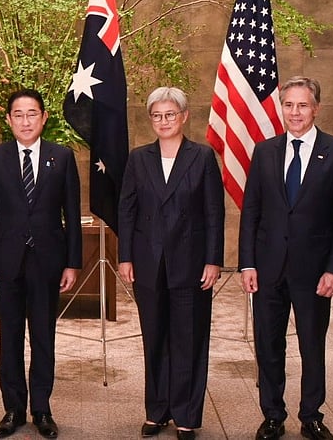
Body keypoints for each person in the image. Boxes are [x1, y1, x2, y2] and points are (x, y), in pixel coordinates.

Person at [239, 76, 333, 440]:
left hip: (314, 271)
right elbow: (252, 212)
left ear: (315, 108)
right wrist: (247, 263)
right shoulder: (265, 151)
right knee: (268, 345)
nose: (295, 112)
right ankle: (273, 415)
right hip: (268, 269)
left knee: (311, 344)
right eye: (289, 105)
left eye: (302, 105)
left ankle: (311, 416)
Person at [117, 87, 225, 440]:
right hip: (148, 264)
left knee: (188, 339)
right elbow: (127, 211)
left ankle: (186, 415)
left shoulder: (203, 157)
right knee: (155, 337)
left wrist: (213, 260)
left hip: (191, 264)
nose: (164, 121)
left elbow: (213, 212)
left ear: (184, 116)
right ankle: (157, 411)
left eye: (170, 114)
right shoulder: (138, 158)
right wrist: (126, 257)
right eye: (157, 115)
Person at [0, 88, 82, 439]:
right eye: (18, 114)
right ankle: (13, 409)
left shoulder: (62, 157)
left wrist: (73, 263)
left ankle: (42, 409)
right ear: (8, 119)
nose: (25, 121)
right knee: (9, 337)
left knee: (43, 337)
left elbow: (71, 213)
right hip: (6, 262)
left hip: (48, 262)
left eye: (31, 113)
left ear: (44, 117)